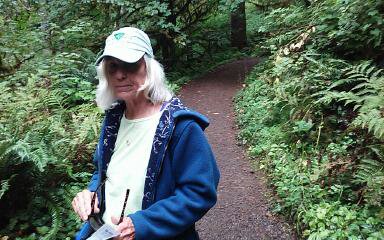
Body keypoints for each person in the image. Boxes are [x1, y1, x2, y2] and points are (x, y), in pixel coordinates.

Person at [71, 27, 220, 240]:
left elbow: (199, 192)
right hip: (103, 233)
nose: (120, 74)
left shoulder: (180, 127)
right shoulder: (114, 119)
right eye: (112, 67)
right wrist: (92, 193)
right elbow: (102, 172)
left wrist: (141, 225)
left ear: (149, 67)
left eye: (129, 65)